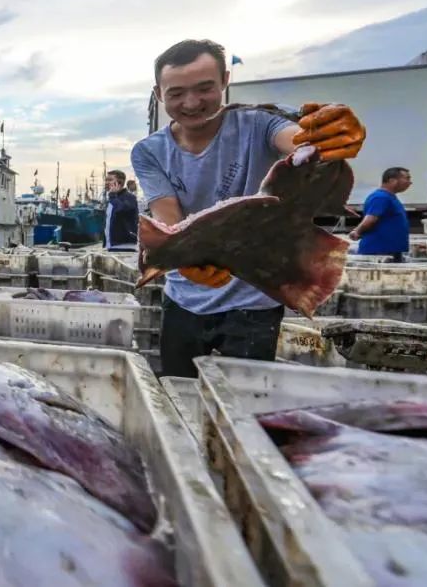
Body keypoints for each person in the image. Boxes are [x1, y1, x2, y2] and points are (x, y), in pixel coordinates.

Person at [130, 39, 366, 377]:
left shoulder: (259, 122)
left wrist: (325, 138)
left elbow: (297, 140)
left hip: (255, 301)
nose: (192, 102)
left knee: (244, 400)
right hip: (183, 301)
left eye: (205, 88)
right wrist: (181, 259)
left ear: (225, 81)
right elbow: (167, 216)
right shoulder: (148, 151)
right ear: (158, 94)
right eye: (176, 93)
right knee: (178, 391)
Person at [349, 167, 411, 262]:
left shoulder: (389, 197)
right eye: (407, 178)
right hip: (379, 253)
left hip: (389, 251)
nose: (409, 182)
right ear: (392, 180)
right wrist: (357, 232)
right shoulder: (381, 197)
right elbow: (370, 219)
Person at [103, 169, 138, 251]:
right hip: (111, 246)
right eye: (106, 180)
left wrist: (112, 196)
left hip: (125, 246)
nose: (107, 182)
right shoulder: (112, 199)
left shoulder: (129, 198)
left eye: (110, 180)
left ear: (120, 183)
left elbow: (122, 210)